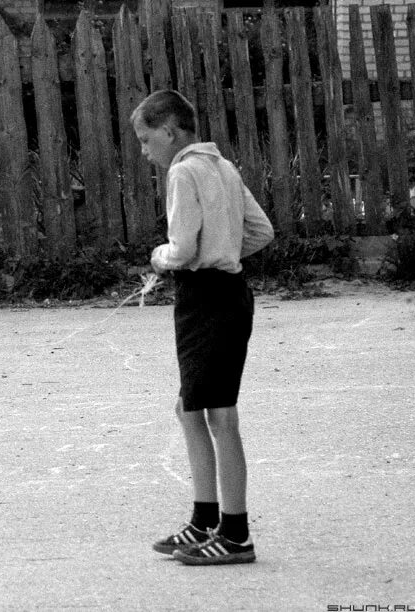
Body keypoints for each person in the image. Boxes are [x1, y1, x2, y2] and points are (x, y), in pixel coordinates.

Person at [130, 90, 274, 565]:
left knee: (219, 416)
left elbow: (183, 248)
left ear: (169, 131)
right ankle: (204, 521)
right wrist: (226, 250)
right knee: (190, 410)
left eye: (148, 140)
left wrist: (159, 257)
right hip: (228, 295)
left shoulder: (183, 170)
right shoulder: (224, 167)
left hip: (205, 298)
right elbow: (262, 231)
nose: (146, 152)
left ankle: (235, 536)